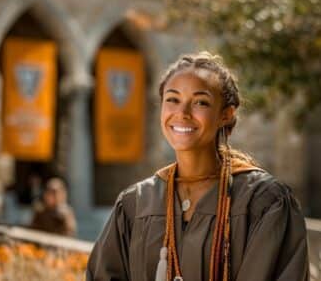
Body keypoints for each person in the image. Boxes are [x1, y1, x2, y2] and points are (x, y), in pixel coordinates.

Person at [87, 52, 309, 281]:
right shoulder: (136, 203)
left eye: (200, 102)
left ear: (226, 114)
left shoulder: (263, 201)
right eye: (172, 99)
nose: (182, 113)